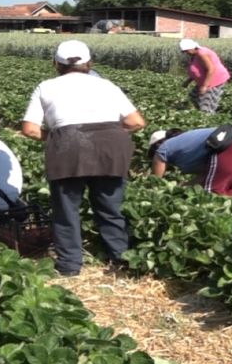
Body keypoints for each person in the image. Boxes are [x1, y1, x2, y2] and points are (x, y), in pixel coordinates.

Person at [21, 40, 146, 276]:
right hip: (111, 146)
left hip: (68, 147)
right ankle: (121, 258)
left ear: (55, 64)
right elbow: (136, 122)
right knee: (110, 207)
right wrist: (111, 134)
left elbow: (29, 129)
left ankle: (70, 265)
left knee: (66, 209)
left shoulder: (46, 87)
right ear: (90, 63)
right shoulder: (107, 85)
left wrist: (59, 137)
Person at [147, 127, 232, 196]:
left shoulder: (163, 149)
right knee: (227, 187)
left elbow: (156, 183)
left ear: (156, 146)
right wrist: (184, 186)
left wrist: (160, 192)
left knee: (212, 192)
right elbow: (208, 177)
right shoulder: (190, 144)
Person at [179, 39, 230, 114]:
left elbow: (211, 69)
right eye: (184, 52)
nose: (186, 53)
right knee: (193, 96)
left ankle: (207, 119)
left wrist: (205, 86)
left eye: (187, 51)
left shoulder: (202, 54)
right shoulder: (195, 54)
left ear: (193, 47)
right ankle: (199, 113)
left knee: (206, 105)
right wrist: (188, 81)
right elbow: (198, 70)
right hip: (204, 81)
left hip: (214, 80)